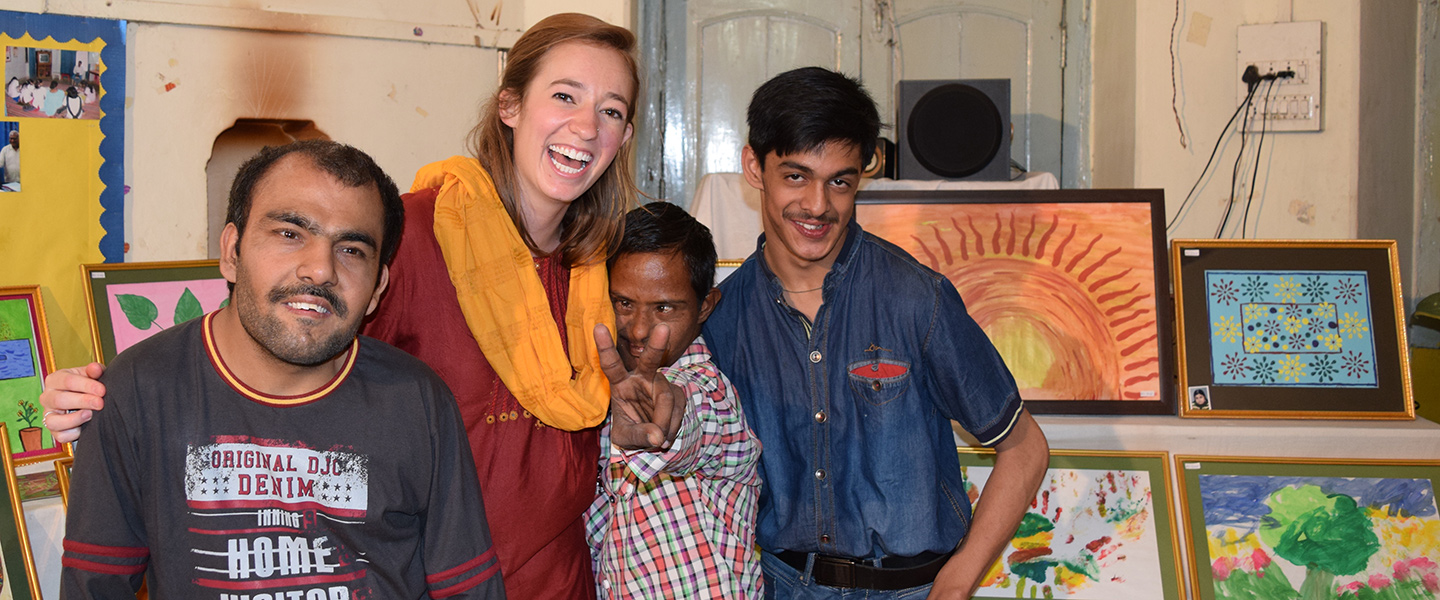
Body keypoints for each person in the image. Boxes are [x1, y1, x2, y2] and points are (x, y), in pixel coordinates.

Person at [42, 13, 668, 599]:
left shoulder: (602, 264)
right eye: (565, 96)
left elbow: (637, 411)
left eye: (611, 110)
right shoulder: (419, 236)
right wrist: (122, 400)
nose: (587, 126)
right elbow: (280, 342)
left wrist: (646, 425)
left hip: (557, 578)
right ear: (510, 105)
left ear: (626, 136)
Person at [59, 140, 504, 599]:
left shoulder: (417, 401)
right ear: (232, 251)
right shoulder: (137, 391)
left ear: (377, 288)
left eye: (352, 249)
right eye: (290, 234)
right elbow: (94, 589)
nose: (320, 269)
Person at [702, 67, 1051, 599]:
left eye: (839, 181)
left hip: (913, 588)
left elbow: (1025, 448)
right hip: (781, 585)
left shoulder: (916, 298)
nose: (818, 205)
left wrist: (957, 581)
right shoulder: (723, 318)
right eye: (796, 176)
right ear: (755, 167)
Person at [585, 203, 762, 598]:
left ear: (705, 306)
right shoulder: (592, 394)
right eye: (623, 303)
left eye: (664, 308)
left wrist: (661, 417)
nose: (639, 330)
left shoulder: (711, 392)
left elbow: (690, 416)